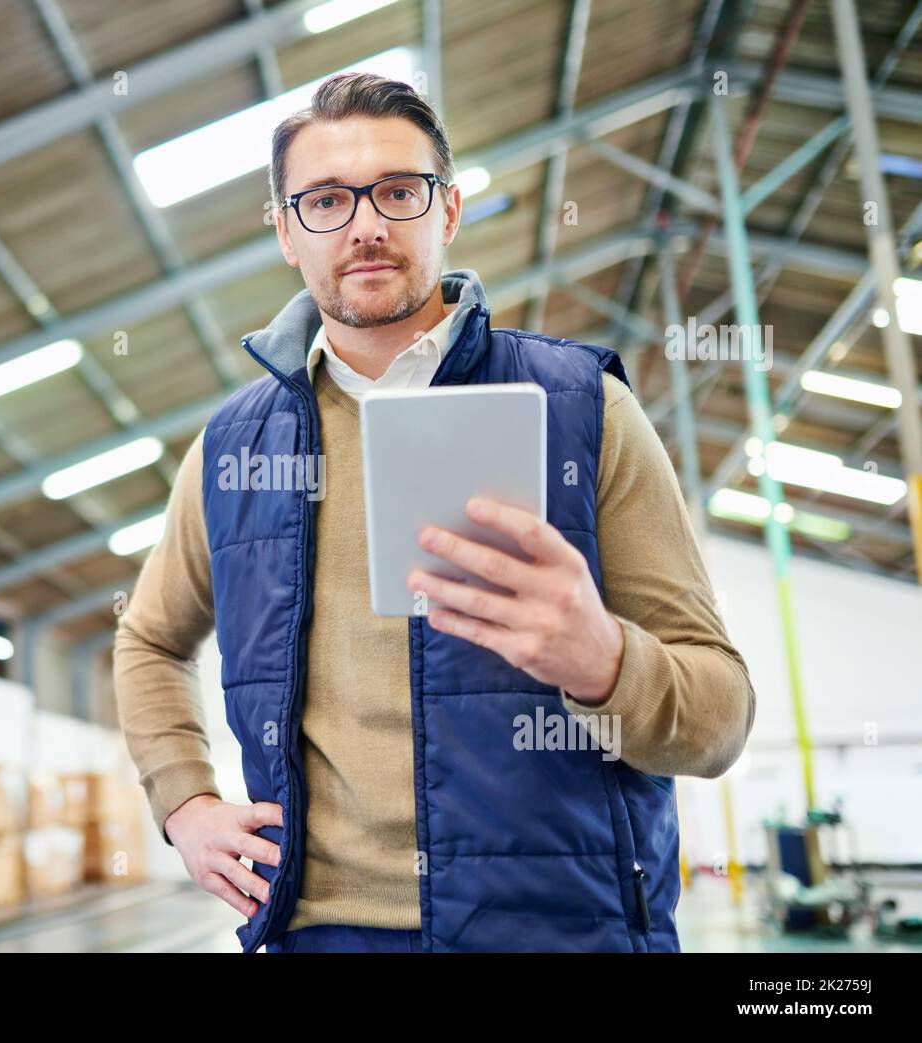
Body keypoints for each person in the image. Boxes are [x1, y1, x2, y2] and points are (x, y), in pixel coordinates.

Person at [112, 72, 755, 953]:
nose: (367, 224)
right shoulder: (233, 450)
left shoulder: (582, 408)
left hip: (561, 930)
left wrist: (606, 662)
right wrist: (182, 800)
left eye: (399, 192)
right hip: (324, 934)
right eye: (326, 200)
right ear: (285, 232)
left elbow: (720, 716)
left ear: (448, 211)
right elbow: (147, 640)